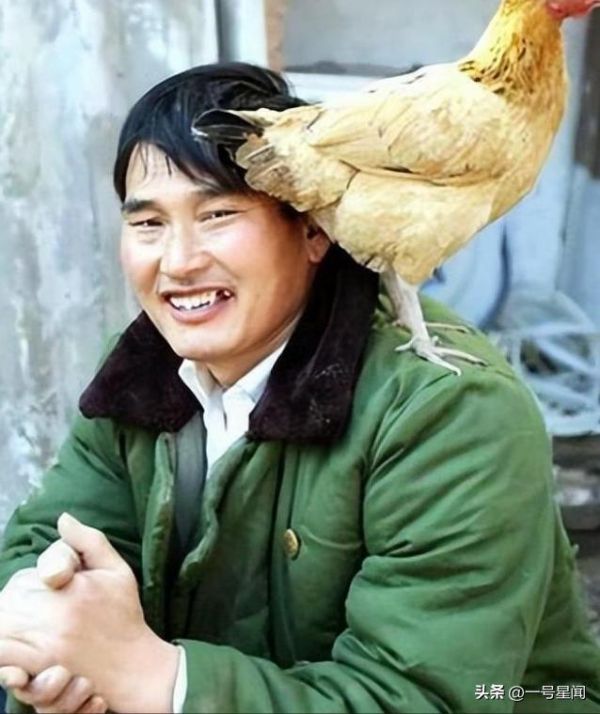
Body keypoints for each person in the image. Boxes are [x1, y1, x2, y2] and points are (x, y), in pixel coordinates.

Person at [0, 61, 599, 714]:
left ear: (314, 228)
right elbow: (40, 542)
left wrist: (155, 678)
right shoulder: (142, 372)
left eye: (218, 214)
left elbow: (420, 698)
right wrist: (50, 636)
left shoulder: (449, 413)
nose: (178, 261)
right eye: (148, 224)